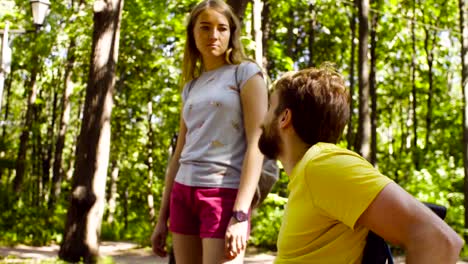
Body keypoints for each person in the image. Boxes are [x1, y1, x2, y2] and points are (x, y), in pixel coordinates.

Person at [258, 64, 464, 263]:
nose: (262, 120)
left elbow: (439, 240)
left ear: (285, 117)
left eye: (269, 107)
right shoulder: (311, 173)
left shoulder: (321, 164)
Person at [150, 0, 268, 263]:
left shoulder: (246, 74)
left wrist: (240, 213)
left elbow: (257, 143)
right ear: (193, 33)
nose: (213, 35)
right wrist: (162, 217)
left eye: (222, 28)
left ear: (231, 34)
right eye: (205, 27)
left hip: (223, 193)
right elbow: (179, 152)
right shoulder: (190, 87)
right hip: (183, 193)